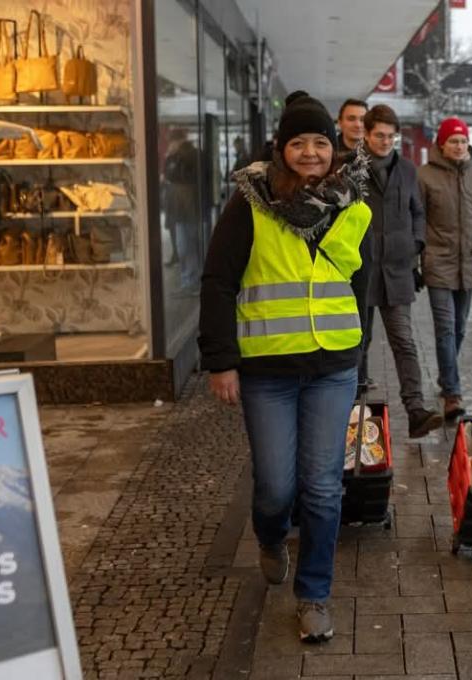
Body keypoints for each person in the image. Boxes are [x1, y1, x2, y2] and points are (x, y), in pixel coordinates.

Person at [198, 99, 371, 642]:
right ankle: (270, 535)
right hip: (267, 370)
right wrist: (221, 361)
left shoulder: (354, 204)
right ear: (281, 149)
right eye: (299, 143)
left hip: (332, 367)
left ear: (333, 147)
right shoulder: (250, 205)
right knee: (276, 487)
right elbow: (218, 281)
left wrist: (360, 352)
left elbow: (359, 283)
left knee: (321, 488)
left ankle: (314, 595)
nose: (311, 153)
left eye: (320, 142)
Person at [360, 104, 444, 438]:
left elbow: (418, 212)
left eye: (390, 136)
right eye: (379, 135)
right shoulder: (349, 169)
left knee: (405, 343)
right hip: (361, 270)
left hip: (397, 270)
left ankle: (416, 411)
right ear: (366, 135)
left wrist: (417, 244)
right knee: (358, 343)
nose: (384, 142)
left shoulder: (408, 170)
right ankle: (354, 411)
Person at [417, 117, 472, 419]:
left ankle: (446, 376)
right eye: (453, 141)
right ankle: (452, 394)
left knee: (460, 328)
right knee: (445, 328)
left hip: (469, 261)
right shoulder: (425, 176)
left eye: (463, 141)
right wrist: (416, 260)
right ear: (441, 144)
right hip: (437, 262)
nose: (459, 146)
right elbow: (417, 223)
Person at [162, 128, 200, 289]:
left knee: (188, 244)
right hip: (180, 207)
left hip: (188, 206)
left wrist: (171, 160)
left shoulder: (189, 155)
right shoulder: (176, 156)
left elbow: (175, 175)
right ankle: (188, 279)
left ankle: (191, 279)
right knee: (183, 244)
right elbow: (167, 174)